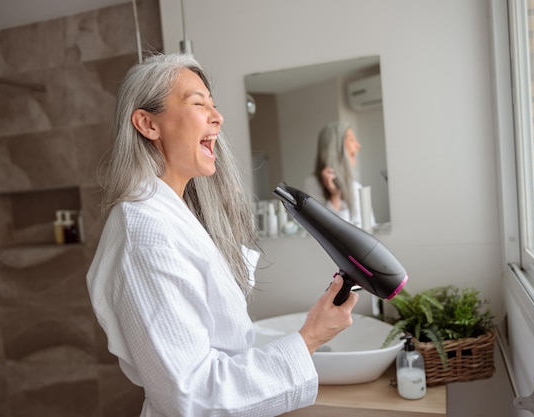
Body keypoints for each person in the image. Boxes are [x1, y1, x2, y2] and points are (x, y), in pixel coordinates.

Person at [86, 53, 359, 417]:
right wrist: (310, 337)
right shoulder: (146, 234)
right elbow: (193, 396)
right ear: (148, 124)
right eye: (198, 103)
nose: (218, 116)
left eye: (213, 104)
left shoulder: (175, 216)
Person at [303, 121, 373, 227]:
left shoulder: (355, 186)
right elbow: (326, 230)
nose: (358, 145)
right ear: (335, 147)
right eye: (352, 140)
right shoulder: (312, 184)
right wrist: (335, 196)